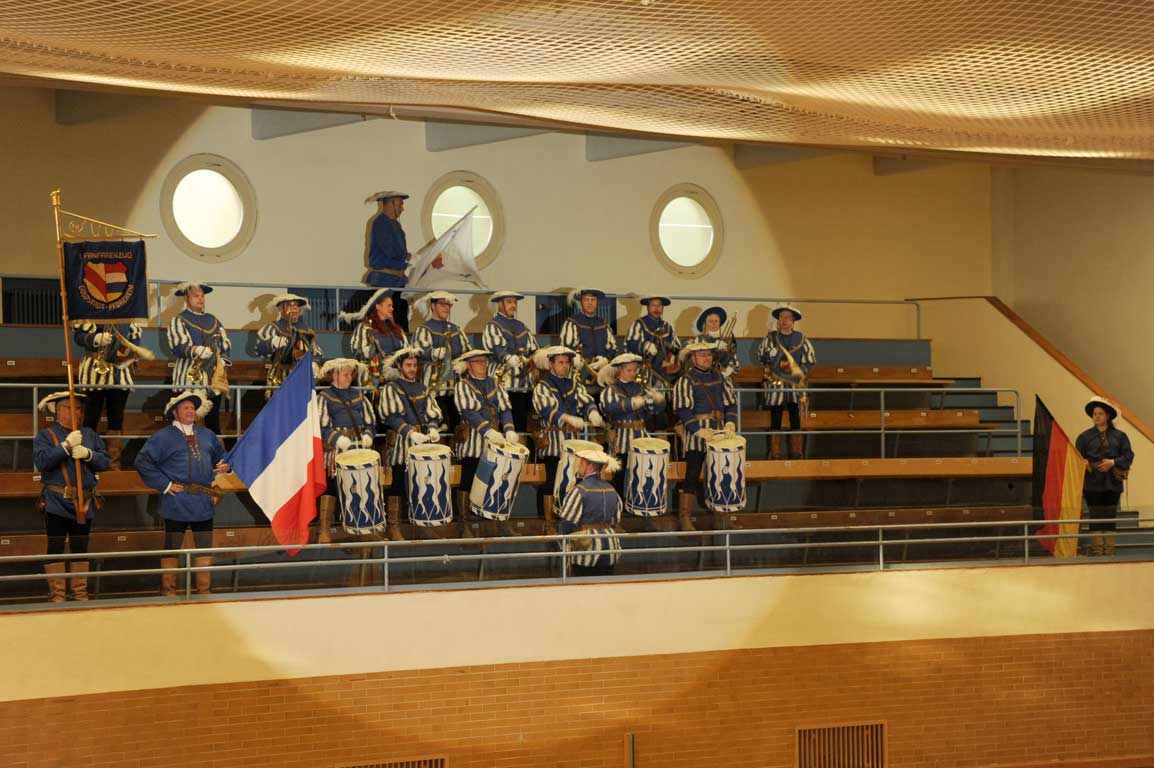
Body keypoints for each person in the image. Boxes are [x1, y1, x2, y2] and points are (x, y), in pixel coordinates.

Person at [134, 391, 229, 597]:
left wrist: (225, 465)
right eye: (185, 408)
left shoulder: (207, 435)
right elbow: (142, 461)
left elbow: (222, 456)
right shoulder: (162, 437)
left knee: (204, 548)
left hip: (203, 502)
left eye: (193, 408)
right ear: (175, 412)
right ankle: (169, 591)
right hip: (175, 501)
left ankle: (204, 591)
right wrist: (165, 485)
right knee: (171, 548)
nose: (190, 411)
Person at [33, 392, 110, 602]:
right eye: (68, 407)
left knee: (80, 548)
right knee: (55, 547)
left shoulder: (90, 435)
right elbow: (42, 461)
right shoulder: (46, 435)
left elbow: (105, 462)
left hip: (84, 502)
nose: (74, 412)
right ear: (58, 410)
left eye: (78, 408)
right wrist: (65, 446)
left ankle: (79, 593)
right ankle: (57, 595)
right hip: (56, 501)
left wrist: (88, 454)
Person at [532, 345, 604, 534]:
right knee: (551, 483)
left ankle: (572, 521)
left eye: (567, 362)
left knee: (574, 482)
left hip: (573, 443)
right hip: (553, 443)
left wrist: (593, 412)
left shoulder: (574, 385)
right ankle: (549, 523)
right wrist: (567, 418)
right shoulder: (542, 386)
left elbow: (586, 400)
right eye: (560, 362)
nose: (565, 366)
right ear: (551, 364)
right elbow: (546, 408)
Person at [379, 346, 445, 540]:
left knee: (423, 484)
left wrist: (433, 428)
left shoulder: (423, 388)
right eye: (408, 365)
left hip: (422, 444)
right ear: (399, 366)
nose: (413, 369)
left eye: (415, 365)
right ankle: (394, 526)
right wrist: (410, 433)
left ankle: (422, 523)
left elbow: (432, 412)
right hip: (401, 444)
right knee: (399, 484)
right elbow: (391, 417)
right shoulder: (391, 388)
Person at [673, 341, 738, 531]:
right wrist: (696, 430)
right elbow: (682, 409)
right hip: (697, 436)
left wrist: (730, 422)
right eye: (702, 355)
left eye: (709, 354)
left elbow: (730, 404)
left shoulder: (721, 378)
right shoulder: (686, 380)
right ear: (693, 358)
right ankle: (685, 517)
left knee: (721, 474)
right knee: (692, 474)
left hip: (719, 434)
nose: (706, 358)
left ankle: (721, 516)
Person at [452, 349, 517, 536]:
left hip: (495, 442)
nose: (483, 364)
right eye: (479, 361)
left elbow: (505, 409)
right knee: (468, 480)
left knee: (496, 480)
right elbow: (469, 412)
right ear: (469, 365)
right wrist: (487, 431)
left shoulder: (495, 383)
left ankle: (496, 521)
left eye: (485, 361)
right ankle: (464, 523)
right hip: (472, 442)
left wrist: (509, 429)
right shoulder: (463, 385)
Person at [72, 320, 148, 469]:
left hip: (119, 373)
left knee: (116, 420)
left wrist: (129, 353)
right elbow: (78, 337)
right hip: (93, 372)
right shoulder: (90, 314)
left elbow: (134, 341)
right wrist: (96, 338)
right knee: (90, 418)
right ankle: (88, 462)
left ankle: (114, 465)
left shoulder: (126, 317)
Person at [316, 358, 376, 543]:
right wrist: (337, 439)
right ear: (335, 375)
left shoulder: (359, 396)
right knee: (332, 488)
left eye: (351, 374)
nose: (350, 377)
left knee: (361, 488)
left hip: (358, 450)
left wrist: (368, 435)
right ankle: (324, 530)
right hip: (335, 452)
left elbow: (370, 422)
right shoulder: (324, 397)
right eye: (346, 374)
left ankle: (363, 528)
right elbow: (321, 426)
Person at [598, 353, 665, 496]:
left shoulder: (641, 388)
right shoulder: (610, 390)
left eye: (635, 370)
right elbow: (608, 408)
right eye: (629, 370)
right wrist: (632, 403)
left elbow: (655, 410)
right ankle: (620, 503)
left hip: (640, 437)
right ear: (619, 370)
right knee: (620, 476)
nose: (633, 373)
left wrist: (658, 401)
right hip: (620, 439)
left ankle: (636, 502)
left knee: (641, 474)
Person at [167, 282, 231, 433]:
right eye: (196, 296)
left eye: (202, 296)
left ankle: (213, 448)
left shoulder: (214, 320)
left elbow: (225, 343)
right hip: (188, 379)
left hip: (213, 380)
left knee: (213, 424)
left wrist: (222, 360)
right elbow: (177, 345)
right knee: (187, 423)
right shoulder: (178, 320)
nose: (200, 299)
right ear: (186, 298)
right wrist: (195, 349)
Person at [1074, 396, 1134, 557]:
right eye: (1095, 414)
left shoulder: (1120, 436)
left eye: (1100, 414)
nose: (1097, 417)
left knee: (1110, 516)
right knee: (1095, 516)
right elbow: (1076, 458)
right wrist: (1083, 462)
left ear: (1108, 416)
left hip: (1112, 482)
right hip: (1092, 483)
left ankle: (1109, 550)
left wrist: (1113, 462)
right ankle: (1097, 550)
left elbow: (1128, 456)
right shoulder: (1084, 437)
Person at [758, 303, 816, 460]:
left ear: (793, 321)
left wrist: (798, 373)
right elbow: (761, 357)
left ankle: (796, 451)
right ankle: (775, 452)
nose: (785, 320)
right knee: (775, 416)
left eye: (788, 318)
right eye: (782, 317)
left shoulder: (801, 338)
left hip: (795, 385)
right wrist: (769, 355)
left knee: (795, 416)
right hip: (776, 383)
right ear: (778, 320)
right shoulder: (770, 338)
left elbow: (810, 360)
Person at [557, 449, 624, 577]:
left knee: (585, 586)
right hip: (611, 547)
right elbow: (615, 520)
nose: (578, 466)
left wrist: (564, 546)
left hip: (586, 550)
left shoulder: (579, 490)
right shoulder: (612, 490)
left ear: (590, 467)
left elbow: (567, 522)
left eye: (582, 463)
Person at [411, 291, 470, 434]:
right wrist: (433, 353)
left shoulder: (456, 330)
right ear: (433, 306)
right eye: (442, 304)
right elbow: (416, 352)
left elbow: (468, 353)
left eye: (449, 305)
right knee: (437, 427)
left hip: (455, 390)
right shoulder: (424, 329)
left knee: (458, 428)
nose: (446, 308)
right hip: (433, 390)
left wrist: (465, 364)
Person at [482, 289, 539, 432]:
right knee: (503, 421)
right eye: (509, 302)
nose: (513, 305)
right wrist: (507, 357)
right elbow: (495, 348)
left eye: (515, 302)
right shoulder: (493, 324)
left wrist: (537, 358)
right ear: (499, 304)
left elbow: (534, 348)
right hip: (502, 382)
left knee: (522, 421)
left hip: (524, 383)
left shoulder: (522, 326)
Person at [342, 288, 410, 389]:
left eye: (392, 306)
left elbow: (406, 351)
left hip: (397, 380)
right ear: (378, 307)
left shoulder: (397, 330)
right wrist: (384, 367)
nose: (392, 309)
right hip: (373, 382)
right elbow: (361, 353)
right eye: (389, 306)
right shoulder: (365, 328)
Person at [257, 293, 324, 391]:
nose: (294, 308)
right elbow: (259, 349)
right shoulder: (273, 327)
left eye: (296, 305)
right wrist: (273, 342)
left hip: (303, 377)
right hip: (280, 376)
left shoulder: (308, 331)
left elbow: (316, 352)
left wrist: (314, 363)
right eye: (290, 305)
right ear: (280, 310)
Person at [559, 288, 617, 387]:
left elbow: (613, 347)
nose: (590, 303)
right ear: (581, 302)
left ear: (597, 302)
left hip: (602, 371)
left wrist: (605, 359)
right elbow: (566, 348)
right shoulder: (572, 322)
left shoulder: (603, 323)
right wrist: (578, 361)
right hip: (579, 373)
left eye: (593, 300)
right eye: (586, 300)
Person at [625, 294, 682, 389]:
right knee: (640, 391)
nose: (656, 308)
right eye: (653, 305)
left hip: (665, 370)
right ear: (647, 307)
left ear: (663, 308)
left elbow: (677, 347)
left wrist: (673, 356)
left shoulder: (667, 326)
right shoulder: (639, 323)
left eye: (659, 306)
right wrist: (645, 346)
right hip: (643, 369)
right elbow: (630, 344)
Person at [691, 306, 739, 380]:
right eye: (710, 321)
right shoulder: (699, 339)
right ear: (705, 324)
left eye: (716, 321)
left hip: (723, 377)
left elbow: (733, 362)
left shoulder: (726, 340)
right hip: (702, 378)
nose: (714, 324)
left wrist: (724, 373)